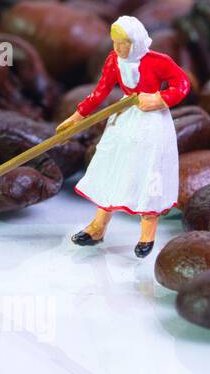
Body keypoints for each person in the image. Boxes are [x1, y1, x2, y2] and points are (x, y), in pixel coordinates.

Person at [57, 15, 190, 258]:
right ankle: (98, 227)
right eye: (115, 43)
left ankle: (147, 234)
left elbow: (181, 83)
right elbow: (99, 92)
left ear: (137, 41)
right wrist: (76, 117)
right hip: (124, 120)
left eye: (124, 43)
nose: (118, 48)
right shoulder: (114, 61)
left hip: (152, 123)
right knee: (111, 167)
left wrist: (159, 99)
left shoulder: (158, 61)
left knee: (148, 173)